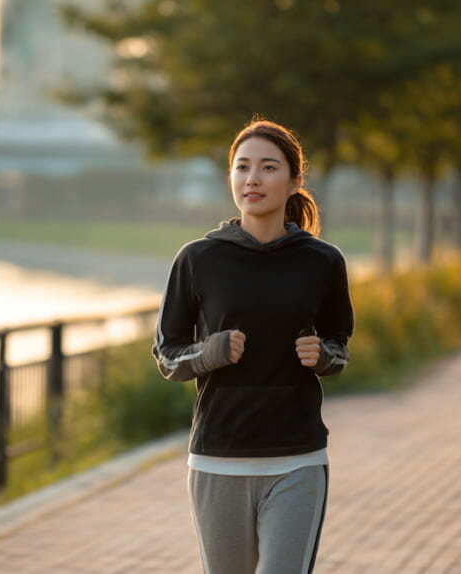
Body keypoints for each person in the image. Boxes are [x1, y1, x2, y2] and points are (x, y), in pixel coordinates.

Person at [152, 119, 355, 574]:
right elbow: (167, 354)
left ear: (295, 180)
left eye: (268, 167)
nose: (252, 179)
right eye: (242, 167)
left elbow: (339, 345)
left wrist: (323, 355)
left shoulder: (323, 261)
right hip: (218, 459)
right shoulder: (197, 259)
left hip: (298, 460)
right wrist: (209, 353)